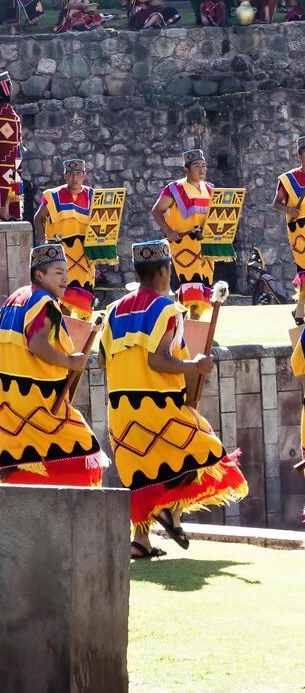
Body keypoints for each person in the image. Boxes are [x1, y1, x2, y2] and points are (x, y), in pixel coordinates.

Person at [100, 240, 248, 559]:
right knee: (204, 453)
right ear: (165, 270)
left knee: (142, 475)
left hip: (121, 409)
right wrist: (192, 365)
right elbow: (158, 360)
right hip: (160, 407)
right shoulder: (166, 308)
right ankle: (171, 512)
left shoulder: (113, 309)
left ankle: (141, 542)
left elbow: (101, 360)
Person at [0, 243, 107, 486]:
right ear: (39, 275)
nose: (65, 278)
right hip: (41, 402)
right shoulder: (43, 302)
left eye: (66, 272)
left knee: (25, 459)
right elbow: (37, 344)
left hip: (11, 402)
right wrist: (68, 360)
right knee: (86, 452)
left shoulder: (13, 299)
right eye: (58, 272)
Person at [151, 149, 215, 320]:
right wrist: (168, 231)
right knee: (191, 286)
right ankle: (187, 328)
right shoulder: (174, 189)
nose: (201, 170)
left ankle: (190, 327)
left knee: (203, 288)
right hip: (183, 245)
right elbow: (157, 211)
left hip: (205, 247)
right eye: (196, 166)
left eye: (204, 166)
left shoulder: (210, 189)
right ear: (186, 169)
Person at [34, 158, 97, 320]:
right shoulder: (54, 196)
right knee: (62, 297)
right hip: (61, 256)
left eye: (78, 174)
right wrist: (44, 244)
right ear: (64, 176)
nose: (74, 179)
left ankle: (82, 337)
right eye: (70, 175)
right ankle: (62, 332)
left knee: (84, 296)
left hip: (84, 257)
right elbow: (38, 218)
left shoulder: (93, 196)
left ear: (84, 176)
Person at [271, 135, 305, 327]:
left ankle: (298, 311)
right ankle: (299, 312)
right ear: (301, 155)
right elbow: (275, 204)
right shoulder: (288, 179)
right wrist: (289, 209)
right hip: (300, 232)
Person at [0, 71, 23, 220]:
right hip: (8, 154)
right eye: (10, 86)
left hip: (1, 155)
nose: (12, 89)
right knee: (9, 182)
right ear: (6, 88)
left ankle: (7, 211)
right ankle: (6, 211)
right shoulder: (4, 110)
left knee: (8, 182)